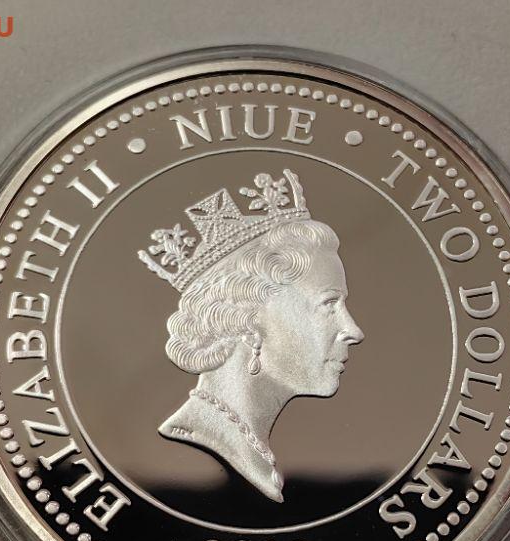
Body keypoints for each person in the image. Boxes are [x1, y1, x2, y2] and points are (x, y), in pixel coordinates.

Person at [139, 170, 364, 502]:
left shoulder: (252, 446)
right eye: (329, 304)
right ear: (248, 323)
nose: (354, 331)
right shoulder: (193, 458)